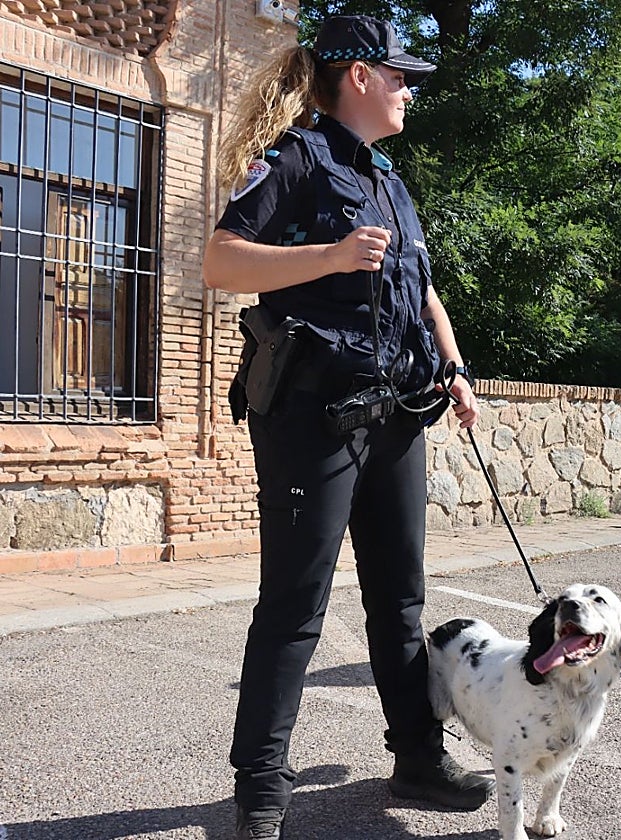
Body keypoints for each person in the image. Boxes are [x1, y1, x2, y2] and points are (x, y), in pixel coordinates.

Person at [201, 14, 493, 839]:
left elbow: (421, 287)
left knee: (400, 600)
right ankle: (260, 791)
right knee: (294, 606)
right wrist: (326, 257)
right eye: (399, 75)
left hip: (397, 413)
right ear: (358, 75)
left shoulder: (389, 178)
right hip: (311, 418)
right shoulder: (293, 157)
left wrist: (455, 367)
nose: (409, 89)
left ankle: (416, 757)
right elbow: (221, 262)